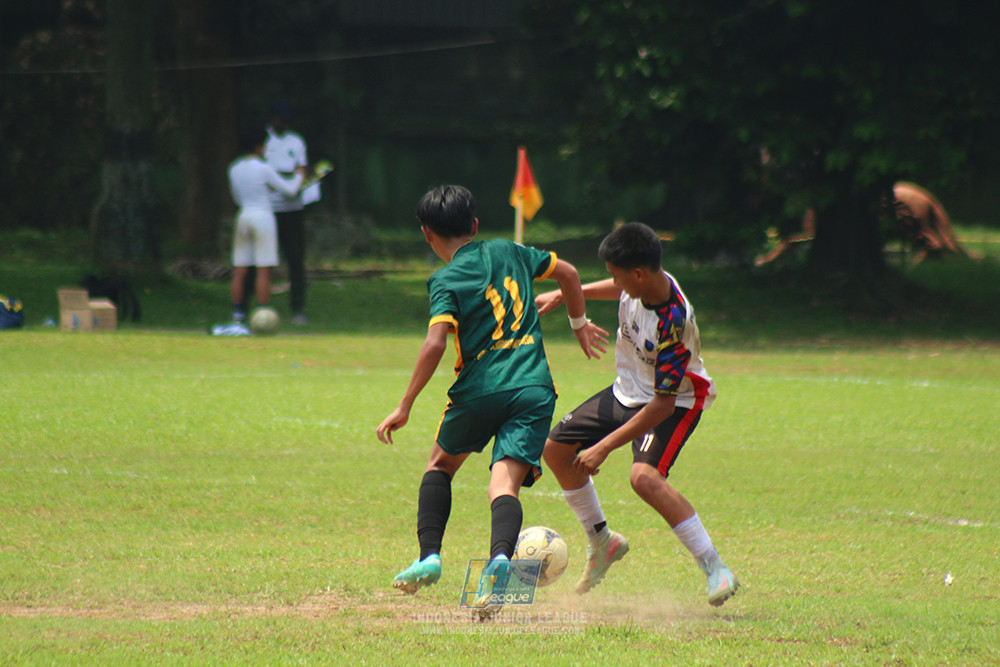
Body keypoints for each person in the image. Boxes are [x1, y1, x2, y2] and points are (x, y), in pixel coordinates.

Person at [375, 185, 607, 617]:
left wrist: (405, 404)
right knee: (504, 485)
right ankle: (500, 562)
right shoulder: (510, 250)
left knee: (440, 465)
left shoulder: (444, 279)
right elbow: (571, 274)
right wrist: (578, 325)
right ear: (476, 226)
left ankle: (429, 556)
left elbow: (434, 344)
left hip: (479, 389)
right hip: (534, 388)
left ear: (427, 234)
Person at [536, 222, 740, 607]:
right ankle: (602, 541)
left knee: (643, 478)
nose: (614, 282)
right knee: (555, 449)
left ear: (639, 274)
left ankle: (715, 567)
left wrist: (605, 447)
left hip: (674, 401)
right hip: (627, 391)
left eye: (617, 275)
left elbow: (661, 405)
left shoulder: (672, 322)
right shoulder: (642, 283)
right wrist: (569, 294)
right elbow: (618, 286)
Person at [243, 101, 312, 324]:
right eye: (280, 120)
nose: (283, 124)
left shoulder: (296, 141)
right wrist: (285, 177)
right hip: (268, 209)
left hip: (292, 209)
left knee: (296, 260)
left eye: (287, 121)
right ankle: (251, 306)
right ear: (272, 119)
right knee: (260, 260)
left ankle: (298, 309)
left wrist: (297, 177)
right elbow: (263, 173)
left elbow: (301, 169)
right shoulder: (264, 142)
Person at [228, 128, 303, 325]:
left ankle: (238, 313)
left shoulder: (234, 168)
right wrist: (299, 174)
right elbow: (290, 190)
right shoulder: (263, 168)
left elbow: (236, 197)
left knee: (240, 269)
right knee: (263, 269)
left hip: (243, 215)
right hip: (262, 216)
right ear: (259, 146)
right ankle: (262, 313)